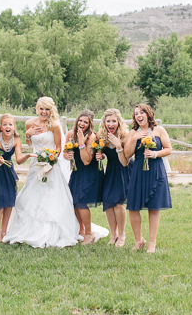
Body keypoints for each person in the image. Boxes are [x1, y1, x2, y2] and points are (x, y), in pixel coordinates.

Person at [2, 97, 80, 248]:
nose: (44, 112)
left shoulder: (55, 125)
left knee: (50, 196)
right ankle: (27, 229)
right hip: (35, 164)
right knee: (31, 195)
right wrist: (28, 134)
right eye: (41, 109)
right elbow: (30, 144)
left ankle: (51, 232)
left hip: (50, 166)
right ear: (36, 109)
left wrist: (50, 161)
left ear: (51, 110)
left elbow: (58, 147)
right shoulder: (29, 123)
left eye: (47, 109)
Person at [124, 104, 172, 253]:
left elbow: (168, 149)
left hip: (155, 171)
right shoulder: (132, 132)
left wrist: (155, 154)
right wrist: (135, 139)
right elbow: (127, 154)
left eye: (142, 112)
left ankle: (152, 243)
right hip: (138, 172)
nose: (139, 115)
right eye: (136, 113)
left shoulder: (159, 130)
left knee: (154, 207)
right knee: (133, 207)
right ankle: (139, 241)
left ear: (148, 114)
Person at [0, 114, 36, 241]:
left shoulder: (16, 140)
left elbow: (19, 160)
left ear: (14, 127)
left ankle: (4, 230)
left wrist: (28, 155)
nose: (7, 127)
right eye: (5, 124)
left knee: (9, 201)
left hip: (8, 171)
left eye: (10, 124)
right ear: (1, 127)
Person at [63, 110, 103, 245]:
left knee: (81, 202)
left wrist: (81, 143)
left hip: (88, 172)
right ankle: (81, 230)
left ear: (90, 124)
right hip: (77, 171)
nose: (82, 123)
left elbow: (86, 160)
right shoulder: (70, 134)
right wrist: (67, 156)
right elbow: (65, 153)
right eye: (80, 120)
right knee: (74, 201)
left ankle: (89, 233)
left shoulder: (91, 137)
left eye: (85, 122)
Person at [95, 108, 132, 247]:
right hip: (110, 169)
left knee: (118, 202)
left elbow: (126, 158)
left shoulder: (125, 135)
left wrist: (118, 145)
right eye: (108, 121)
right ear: (104, 122)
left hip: (123, 168)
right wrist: (101, 155)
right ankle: (113, 233)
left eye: (114, 121)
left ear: (118, 122)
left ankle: (122, 234)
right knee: (108, 202)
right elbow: (102, 152)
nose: (111, 124)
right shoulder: (101, 135)